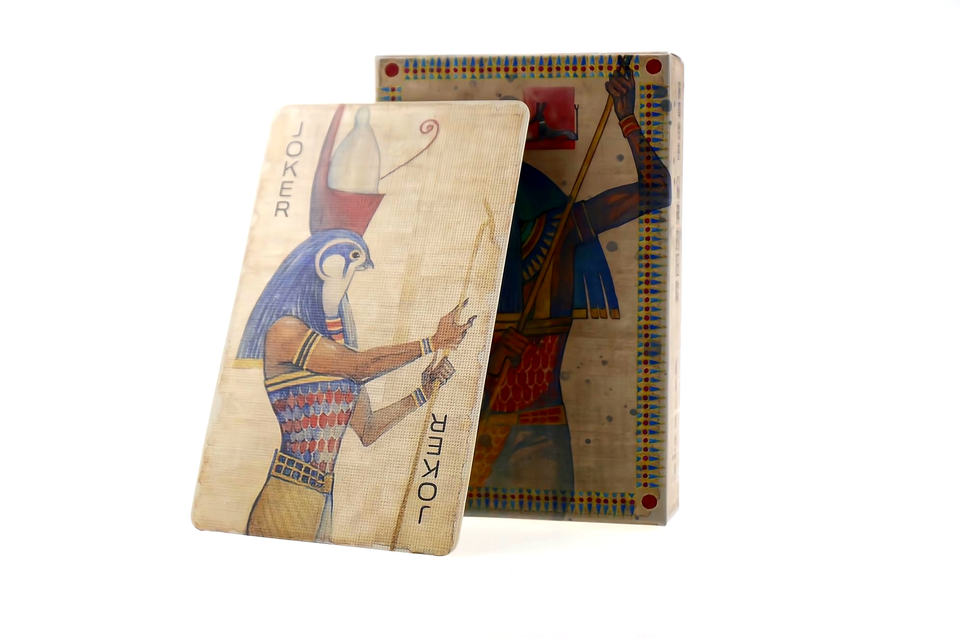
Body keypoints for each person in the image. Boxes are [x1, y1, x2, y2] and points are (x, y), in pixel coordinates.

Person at [473, 61, 672, 502]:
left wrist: (626, 117)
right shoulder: (451, 257)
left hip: (538, 434)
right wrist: (487, 359)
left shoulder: (558, 232)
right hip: (463, 433)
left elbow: (656, 191)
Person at [237, 229, 475, 542]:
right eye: (354, 258)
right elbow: (361, 367)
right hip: (289, 493)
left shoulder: (335, 352)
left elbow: (368, 428)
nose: (360, 270)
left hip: (322, 495)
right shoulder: (285, 331)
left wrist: (423, 394)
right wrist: (432, 342)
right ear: (325, 265)